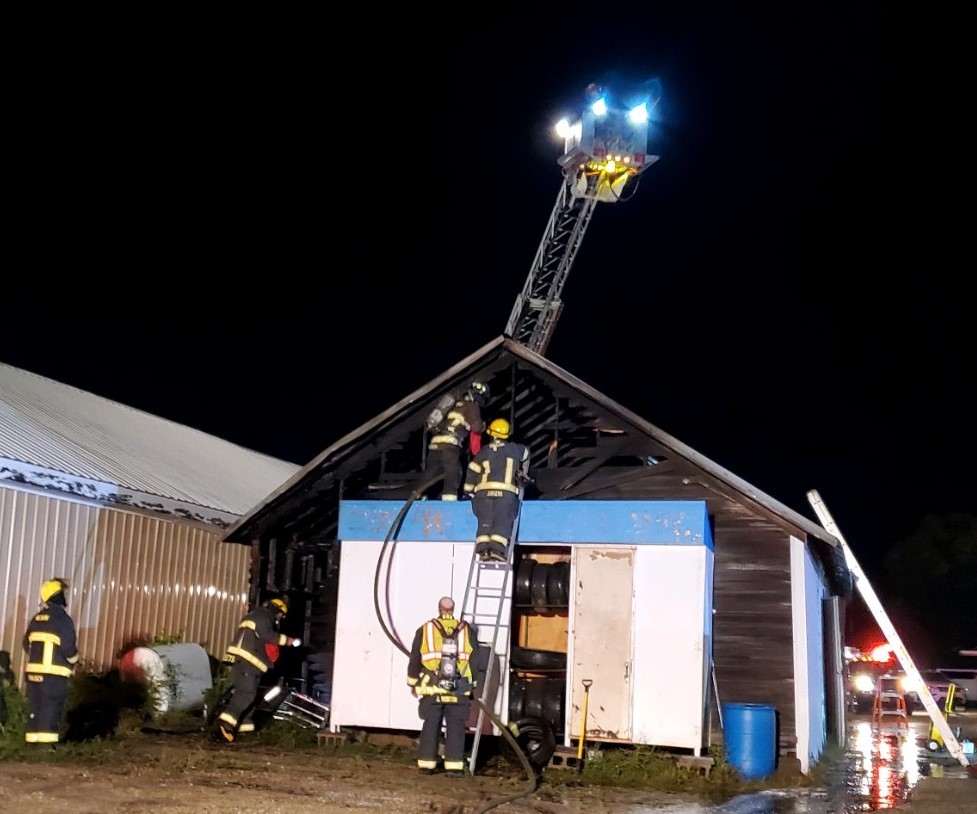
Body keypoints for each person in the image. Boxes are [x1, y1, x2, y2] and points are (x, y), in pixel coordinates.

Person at [406, 596, 476, 776]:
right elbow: (475, 660)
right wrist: (472, 685)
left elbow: (415, 658)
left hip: (432, 687)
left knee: (431, 725)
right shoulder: (467, 630)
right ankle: (453, 767)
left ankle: (426, 765)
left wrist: (412, 682)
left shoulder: (425, 629)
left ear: (439, 609)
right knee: (456, 727)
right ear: (453, 609)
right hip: (458, 688)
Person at [215, 597, 300, 743]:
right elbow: (267, 635)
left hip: (245, 662)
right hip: (247, 661)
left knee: (250, 695)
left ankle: (245, 728)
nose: (280, 618)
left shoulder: (254, 615)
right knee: (246, 693)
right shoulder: (263, 617)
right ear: (276, 609)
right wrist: (288, 641)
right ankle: (225, 725)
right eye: (281, 614)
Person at [464, 418, 530, 562]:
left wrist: (468, 491)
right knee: (502, 521)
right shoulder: (514, 448)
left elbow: (472, 470)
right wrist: (523, 473)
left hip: (482, 495)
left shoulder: (483, 451)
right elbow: (526, 453)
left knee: (485, 522)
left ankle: (483, 550)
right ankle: (497, 551)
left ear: (492, 434)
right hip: (505, 494)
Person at [23, 578, 79, 746]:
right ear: (58, 596)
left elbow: (26, 644)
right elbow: (69, 648)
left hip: (33, 674)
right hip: (53, 676)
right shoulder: (62, 620)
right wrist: (75, 662)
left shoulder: (37, 618)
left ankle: (31, 743)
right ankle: (46, 749)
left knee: (36, 707)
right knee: (50, 708)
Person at [425, 381, 489, 501]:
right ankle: (449, 505)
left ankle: (421, 498)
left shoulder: (454, 404)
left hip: (435, 445)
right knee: (453, 475)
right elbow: (476, 427)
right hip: (449, 446)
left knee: (430, 476)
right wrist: (484, 427)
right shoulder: (472, 405)